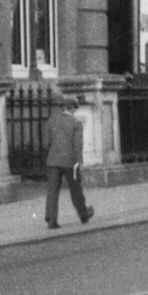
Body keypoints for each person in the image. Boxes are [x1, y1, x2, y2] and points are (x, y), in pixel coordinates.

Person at [42, 93, 93, 228]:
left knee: (52, 191)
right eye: (75, 108)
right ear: (71, 108)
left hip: (52, 161)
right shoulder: (75, 123)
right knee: (75, 189)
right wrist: (80, 161)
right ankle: (83, 214)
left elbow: (46, 143)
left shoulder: (52, 120)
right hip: (70, 162)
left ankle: (51, 219)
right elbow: (77, 145)